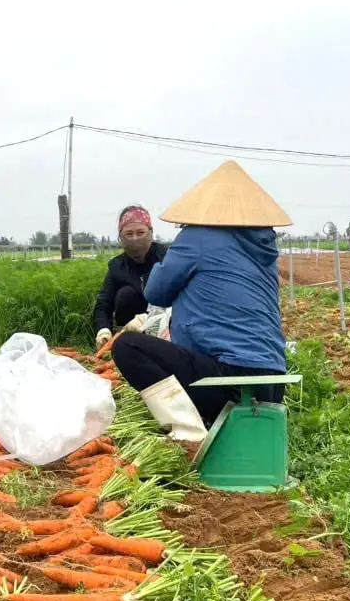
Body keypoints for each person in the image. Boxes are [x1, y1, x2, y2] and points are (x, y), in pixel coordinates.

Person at [112, 161, 290, 442]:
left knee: (127, 346)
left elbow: (156, 293)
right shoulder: (264, 249)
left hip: (228, 379)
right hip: (273, 382)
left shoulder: (197, 238)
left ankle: (190, 436)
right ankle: (209, 419)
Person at [93, 205, 170, 349]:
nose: (135, 239)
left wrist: (149, 317)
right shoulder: (117, 266)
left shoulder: (167, 258)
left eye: (140, 232)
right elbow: (103, 303)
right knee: (125, 293)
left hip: (164, 324)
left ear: (151, 233)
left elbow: (181, 296)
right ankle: (125, 342)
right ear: (120, 237)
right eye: (129, 234)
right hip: (129, 328)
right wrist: (103, 329)